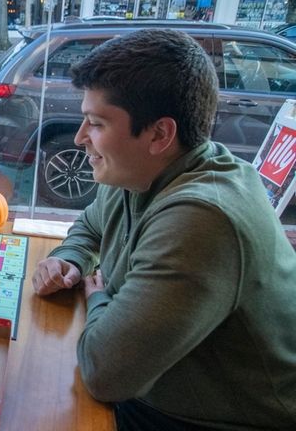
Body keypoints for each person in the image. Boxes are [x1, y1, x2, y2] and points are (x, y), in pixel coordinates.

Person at [32, 29, 296, 430]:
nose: (80, 137)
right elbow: (89, 226)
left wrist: (98, 298)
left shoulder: (204, 219)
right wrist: (69, 259)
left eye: (96, 123)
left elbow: (106, 372)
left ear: (159, 134)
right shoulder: (142, 174)